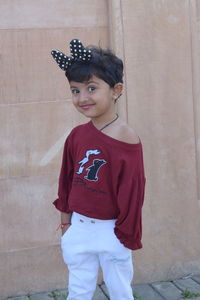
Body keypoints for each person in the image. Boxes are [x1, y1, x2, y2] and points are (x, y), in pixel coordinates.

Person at [51, 39, 146, 300]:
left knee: (119, 290)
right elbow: (67, 180)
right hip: (79, 226)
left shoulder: (126, 138)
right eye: (75, 90)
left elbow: (133, 190)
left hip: (111, 230)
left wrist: (126, 234)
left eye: (91, 88)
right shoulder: (77, 135)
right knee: (78, 289)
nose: (82, 98)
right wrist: (66, 223)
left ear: (116, 90)